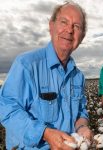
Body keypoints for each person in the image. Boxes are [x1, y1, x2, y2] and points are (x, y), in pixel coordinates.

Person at [0, 1, 93, 149]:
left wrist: (82, 127)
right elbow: (6, 108)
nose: (69, 30)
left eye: (77, 26)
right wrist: (45, 133)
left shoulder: (78, 76)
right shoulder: (27, 64)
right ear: (51, 26)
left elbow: (81, 111)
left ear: (81, 37)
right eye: (64, 22)